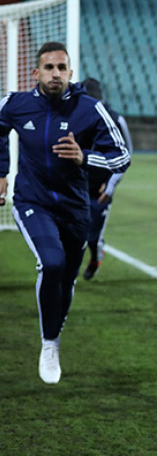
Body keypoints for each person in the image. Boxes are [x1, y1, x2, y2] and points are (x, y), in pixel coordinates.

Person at [0, 42, 131, 383]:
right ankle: (48, 344)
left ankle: (54, 336)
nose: (55, 73)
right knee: (52, 263)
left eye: (61, 67)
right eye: (49, 67)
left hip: (75, 207)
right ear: (36, 72)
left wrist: (85, 158)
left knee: (68, 277)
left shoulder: (91, 109)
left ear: (71, 73)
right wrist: (1, 172)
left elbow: (121, 157)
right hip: (32, 202)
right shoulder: (16, 104)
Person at [80, 78, 133, 280]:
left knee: (93, 236)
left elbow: (126, 155)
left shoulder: (116, 119)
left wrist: (111, 184)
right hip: (77, 185)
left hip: (101, 188)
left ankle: (95, 256)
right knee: (73, 231)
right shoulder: (75, 116)